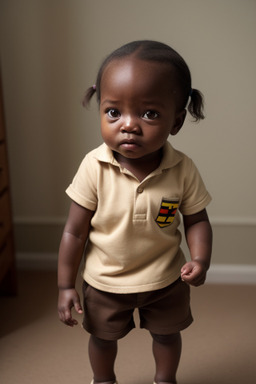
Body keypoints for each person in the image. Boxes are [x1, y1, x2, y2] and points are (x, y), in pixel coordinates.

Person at [58, 40, 212, 384]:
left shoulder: (182, 168)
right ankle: (103, 380)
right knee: (101, 337)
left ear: (177, 121)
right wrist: (65, 284)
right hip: (106, 281)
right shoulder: (93, 166)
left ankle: (165, 379)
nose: (129, 125)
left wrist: (200, 258)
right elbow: (74, 231)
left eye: (149, 113)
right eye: (114, 112)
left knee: (168, 335)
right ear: (100, 109)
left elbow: (197, 219)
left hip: (165, 277)